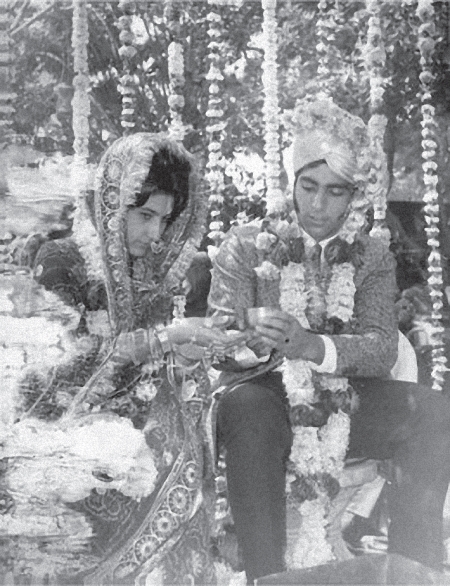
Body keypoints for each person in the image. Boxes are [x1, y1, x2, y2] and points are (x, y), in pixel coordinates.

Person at [207, 99, 450, 583]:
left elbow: (381, 347)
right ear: (291, 183)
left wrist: (312, 346)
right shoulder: (245, 245)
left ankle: (413, 571)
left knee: (434, 412)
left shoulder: (372, 256)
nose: (318, 205)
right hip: (265, 396)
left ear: (354, 196)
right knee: (247, 409)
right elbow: (216, 340)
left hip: (347, 399)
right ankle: (266, 577)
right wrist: (253, 337)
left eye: (335, 191)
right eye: (309, 187)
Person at [11, 133, 245, 585]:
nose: (155, 234)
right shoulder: (61, 260)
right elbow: (60, 370)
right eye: (145, 216)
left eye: (164, 219)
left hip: (137, 428)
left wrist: (182, 356)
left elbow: (151, 368)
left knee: (179, 439)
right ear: (113, 204)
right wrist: (164, 340)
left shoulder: (148, 272)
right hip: (62, 433)